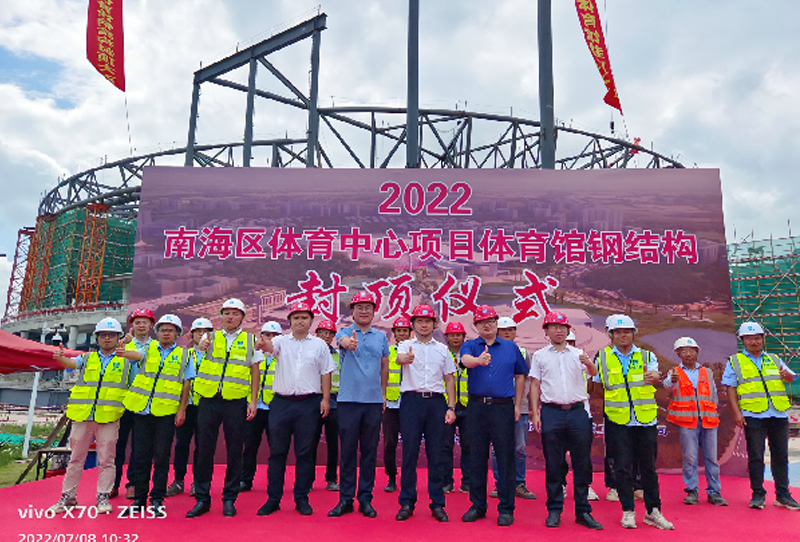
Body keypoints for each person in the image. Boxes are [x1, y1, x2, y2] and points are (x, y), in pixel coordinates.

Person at [48, 317, 142, 515]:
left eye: (111, 335)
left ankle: (103, 496)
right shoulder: (87, 358)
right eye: (103, 335)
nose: (107, 338)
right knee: (75, 459)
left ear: (118, 337)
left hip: (109, 417)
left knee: (107, 459)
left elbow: (136, 378)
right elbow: (71, 363)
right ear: (97, 338)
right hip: (83, 416)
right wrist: (60, 358)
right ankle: (68, 497)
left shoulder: (127, 360)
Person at [593, 314, 673, 529]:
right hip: (617, 420)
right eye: (618, 332)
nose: (623, 335)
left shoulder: (647, 356)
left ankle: (653, 511)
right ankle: (628, 511)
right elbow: (597, 386)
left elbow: (655, 377)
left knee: (648, 468)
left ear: (633, 333)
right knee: (622, 467)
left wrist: (655, 378)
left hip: (645, 419)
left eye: (627, 331)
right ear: (611, 334)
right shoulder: (602, 357)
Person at [256, 302, 335, 516]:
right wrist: (263, 345)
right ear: (290, 321)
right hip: (281, 403)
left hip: (309, 404)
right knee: (277, 452)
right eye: (296, 317)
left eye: (304, 317)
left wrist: (325, 399)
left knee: (305, 453)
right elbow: (269, 347)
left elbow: (326, 372)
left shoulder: (319, 345)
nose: (300, 321)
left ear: (311, 321)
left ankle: (301, 498)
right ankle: (273, 499)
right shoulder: (280, 341)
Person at [186, 298, 260, 518]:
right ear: (220, 316)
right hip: (209, 399)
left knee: (235, 450)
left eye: (235, 313)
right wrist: (201, 347)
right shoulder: (210, 337)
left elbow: (255, 371)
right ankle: (202, 498)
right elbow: (199, 354)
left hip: (235, 401)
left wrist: (253, 401)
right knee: (204, 450)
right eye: (226, 313)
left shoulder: (251, 340)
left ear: (242, 317)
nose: (230, 317)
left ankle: (229, 498)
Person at [529, 311, 603, 530]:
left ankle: (583, 511)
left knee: (582, 463)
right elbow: (535, 385)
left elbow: (594, 373)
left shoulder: (578, 353)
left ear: (568, 330)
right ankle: (554, 510)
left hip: (577, 412)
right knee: (554, 463)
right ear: (546, 331)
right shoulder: (540, 356)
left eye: (562, 327)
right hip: (551, 412)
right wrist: (535, 413)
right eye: (554, 327)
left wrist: (588, 362)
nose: (559, 331)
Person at [459, 305, 527, 527]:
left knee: (505, 458)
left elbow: (520, 376)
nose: (486, 325)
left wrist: (517, 404)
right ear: (476, 326)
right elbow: (465, 361)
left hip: (502, 408)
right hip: (477, 407)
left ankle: (506, 508)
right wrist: (478, 361)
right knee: (477, 457)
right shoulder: (471, 345)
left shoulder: (510, 347)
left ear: (497, 324)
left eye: (490, 321)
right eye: (481, 322)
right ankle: (478, 505)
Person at [121, 314, 191, 518]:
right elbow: (135, 355)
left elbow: (186, 383)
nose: (166, 333)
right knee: (140, 456)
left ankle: (157, 499)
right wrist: (123, 350)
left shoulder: (184, 355)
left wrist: (182, 409)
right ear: (157, 332)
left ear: (177, 333)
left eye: (170, 330)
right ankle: (139, 499)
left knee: (161, 457)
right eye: (162, 330)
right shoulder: (147, 348)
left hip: (166, 413)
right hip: (142, 411)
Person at [723, 321, 798, 510]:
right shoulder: (735, 361)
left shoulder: (774, 358)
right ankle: (758, 494)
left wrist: (788, 376)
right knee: (755, 456)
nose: (754, 342)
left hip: (778, 413)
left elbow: (791, 377)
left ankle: (783, 494)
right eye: (749, 339)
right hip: (753, 414)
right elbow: (730, 388)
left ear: (763, 339)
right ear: (742, 340)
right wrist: (736, 413)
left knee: (780, 455)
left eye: (757, 338)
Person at [328, 291, 389, 519]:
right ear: (352, 311)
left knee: (369, 452)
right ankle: (345, 499)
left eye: (368, 307)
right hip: (348, 401)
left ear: (373, 311)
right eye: (359, 307)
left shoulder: (381, 337)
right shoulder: (344, 332)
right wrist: (349, 343)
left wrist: (383, 394)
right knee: (348, 452)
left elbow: (384, 366)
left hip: (373, 402)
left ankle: (365, 499)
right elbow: (343, 342)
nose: (364, 311)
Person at [394, 305, 456, 522]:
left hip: (436, 403)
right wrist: (404, 359)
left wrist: (451, 407)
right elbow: (399, 359)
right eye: (419, 321)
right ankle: (407, 502)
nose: (423, 325)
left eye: (427, 321)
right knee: (409, 453)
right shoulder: (405, 344)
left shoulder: (442, 349)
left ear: (434, 324)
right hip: (411, 402)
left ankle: (437, 503)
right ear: (413, 324)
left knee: (436, 454)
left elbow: (449, 379)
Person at [663, 336, 727, 506]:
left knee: (712, 458)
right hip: (687, 422)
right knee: (689, 458)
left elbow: (714, 394)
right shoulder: (675, 372)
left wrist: (712, 411)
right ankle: (692, 490)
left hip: (708, 420)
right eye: (684, 351)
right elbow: (667, 385)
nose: (688, 354)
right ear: (678, 354)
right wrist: (671, 380)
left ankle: (714, 492)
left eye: (691, 350)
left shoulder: (707, 372)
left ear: (697, 352)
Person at [490, 317, 536, 501]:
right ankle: (500, 483)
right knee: (497, 448)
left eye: (510, 329)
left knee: (519, 448)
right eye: (503, 330)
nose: (507, 332)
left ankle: (518, 483)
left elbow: (531, 379)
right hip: (496, 406)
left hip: (520, 407)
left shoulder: (523, 352)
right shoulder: (489, 351)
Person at [167, 317, 214, 498]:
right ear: (191, 335)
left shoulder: (216, 356)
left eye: (206, 332)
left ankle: (198, 482)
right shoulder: (184, 354)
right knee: (181, 444)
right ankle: (178, 481)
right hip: (186, 405)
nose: (202, 335)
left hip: (207, 407)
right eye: (198, 331)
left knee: (202, 446)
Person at [113, 307, 154, 499]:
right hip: (122, 401)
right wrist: (123, 342)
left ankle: (133, 483)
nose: (141, 325)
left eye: (145, 322)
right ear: (132, 325)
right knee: (117, 444)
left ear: (151, 325)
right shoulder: (125, 344)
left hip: (143, 401)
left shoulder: (155, 347)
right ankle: (112, 484)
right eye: (137, 322)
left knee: (139, 446)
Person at [240, 320, 282, 492]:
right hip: (254, 407)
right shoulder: (252, 354)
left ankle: (275, 483)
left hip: (276, 408)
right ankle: (245, 480)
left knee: (277, 449)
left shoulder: (284, 356)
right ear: (261, 336)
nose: (270, 338)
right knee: (249, 446)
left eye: (274, 336)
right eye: (267, 335)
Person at [560, 329, 599, 501]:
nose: (568, 346)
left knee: (582, 454)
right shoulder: (551, 359)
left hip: (582, 413)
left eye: (571, 343)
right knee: (559, 453)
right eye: (565, 342)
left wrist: (588, 363)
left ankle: (585, 486)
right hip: (559, 414)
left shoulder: (582, 359)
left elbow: (592, 380)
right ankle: (561, 484)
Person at [312, 319, 341, 491]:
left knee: (333, 443)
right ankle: (307, 479)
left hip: (334, 402)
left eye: (330, 334)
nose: (327, 336)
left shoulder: (338, 355)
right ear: (317, 334)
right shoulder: (310, 354)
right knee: (310, 442)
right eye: (323, 333)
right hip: (313, 401)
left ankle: (331, 479)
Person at [383, 316, 411, 493]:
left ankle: (408, 479)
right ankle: (391, 477)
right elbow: (381, 375)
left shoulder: (417, 351)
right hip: (391, 404)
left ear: (410, 333)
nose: (401, 334)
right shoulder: (387, 352)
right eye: (399, 331)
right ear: (394, 333)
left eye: (405, 331)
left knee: (410, 443)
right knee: (389, 443)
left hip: (410, 404)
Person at [442, 321, 470, 494]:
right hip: (447, 407)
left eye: (458, 335)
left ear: (463, 337)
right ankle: (447, 481)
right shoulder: (441, 354)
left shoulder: (470, 354)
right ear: (447, 337)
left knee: (468, 446)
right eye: (452, 335)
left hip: (467, 406)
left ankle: (467, 481)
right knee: (445, 446)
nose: (455, 338)